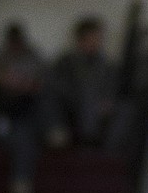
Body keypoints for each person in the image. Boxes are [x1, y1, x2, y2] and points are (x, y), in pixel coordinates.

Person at [0, 22, 46, 193]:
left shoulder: (33, 58)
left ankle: (20, 181)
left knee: (24, 139)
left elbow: (41, 85)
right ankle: (20, 181)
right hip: (2, 115)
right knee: (16, 138)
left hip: (25, 115)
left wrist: (23, 84)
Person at [47, 17, 119, 150]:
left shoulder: (105, 66)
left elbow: (111, 90)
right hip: (67, 111)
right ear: (81, 39)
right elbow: (56, 89)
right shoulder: (66, 62)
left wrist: (106, 102)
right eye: (93, 38)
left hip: (97, 115)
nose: (97, 42)